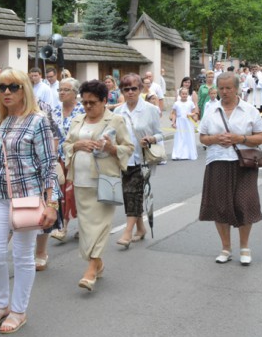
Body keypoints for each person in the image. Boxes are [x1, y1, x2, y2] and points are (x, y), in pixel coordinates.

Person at [0, 68, 57, 334]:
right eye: (1, 87)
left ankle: (18, 310)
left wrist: (52, 203)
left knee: (22, 256)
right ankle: (1, 306)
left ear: (24, 90)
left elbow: (49, 164)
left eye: (13, 87)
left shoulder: (38, 121)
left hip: (27, 197)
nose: (6, 92)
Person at [64, 80, 133, 291]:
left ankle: (91, 269)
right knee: (86, 227)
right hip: (80, 181)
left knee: (100, 226)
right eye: (84, 102)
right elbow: (67, 145)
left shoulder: (116, 120)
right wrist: (77, 145)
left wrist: (111, 149)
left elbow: (128, 147)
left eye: (92, 102)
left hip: (104, 180)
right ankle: (98, 263)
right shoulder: (77, 120)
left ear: (104, 101)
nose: (87, 106)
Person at [199, 72, 262, 266]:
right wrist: (215, 139)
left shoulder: (249, 110)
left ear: (237, 88)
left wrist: (240, 138)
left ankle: (244, 247)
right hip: (217, 161)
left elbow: (261, 137)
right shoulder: (211, 110)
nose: (225, 91)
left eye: (229, 88)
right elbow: (203, 137)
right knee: (220, 205)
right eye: (221, 88)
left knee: (244, 203)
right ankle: (225, 248)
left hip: (244, 163)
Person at [113, 74, 164, 247]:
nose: (130, 92)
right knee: (129, 194)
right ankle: (141, 228)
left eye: (134, 88)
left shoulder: (151, 109)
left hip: (142, 160)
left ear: (140, 89)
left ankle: (127, 232)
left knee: (133, 193)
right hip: (124, 159)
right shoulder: (118, 111)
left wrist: (151, 139)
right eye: (126, 89)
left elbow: (160, 133)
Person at [50, 78, 84, 242]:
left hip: (78, 157)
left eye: (66, 90)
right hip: (59, 159)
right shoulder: (55, 111)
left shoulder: (82, 110)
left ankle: (80, 226)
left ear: (75, 93)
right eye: (60, 90)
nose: (62, 93)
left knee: (76, 194)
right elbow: (52, 134)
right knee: (61, 193)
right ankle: (63, 226)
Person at [170, 87, 198, 160]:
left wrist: (190, 115)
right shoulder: (176, 103)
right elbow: (174, 114)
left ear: (188, 95)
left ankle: (188, 154)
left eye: (186, 94)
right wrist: (173, 123)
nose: (184, 95)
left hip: (188, 122)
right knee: (180, 137)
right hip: (179, 122)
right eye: (183, 94)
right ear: (180, 95)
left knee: (188, 137)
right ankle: (178, 154)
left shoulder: (190, 103)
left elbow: (194, 112)